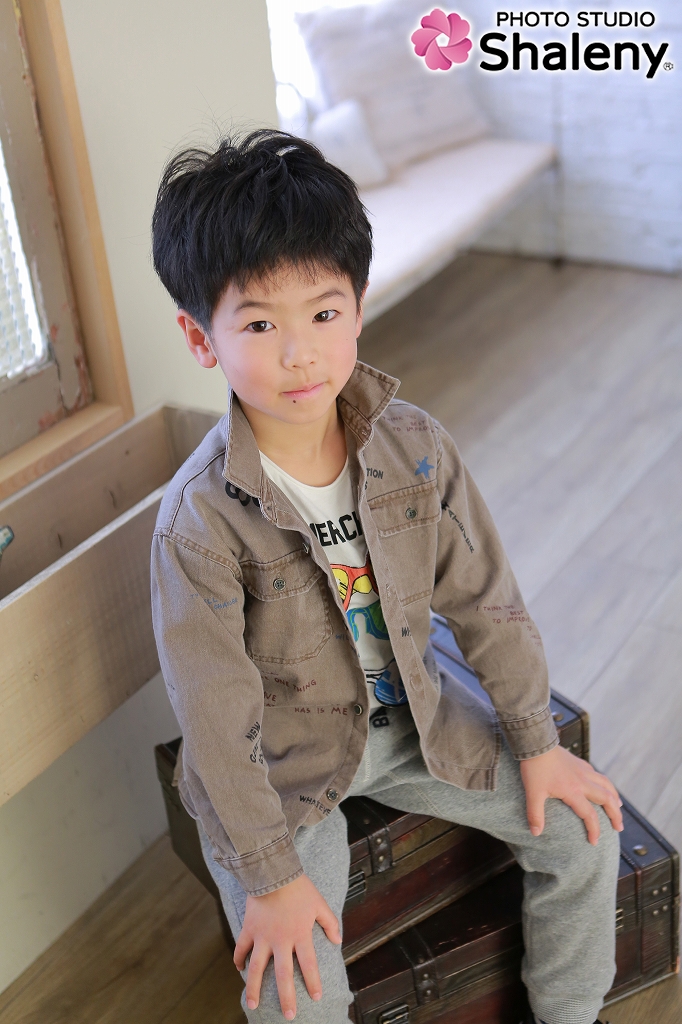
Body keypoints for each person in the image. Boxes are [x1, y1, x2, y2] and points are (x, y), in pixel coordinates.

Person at [150, 130, 622, 1024]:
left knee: (585, 832)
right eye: (260, 324)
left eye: (324, 314)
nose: (300, 353)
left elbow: (485, 600)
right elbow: (214, 719)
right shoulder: (197, 523)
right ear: (200, 337)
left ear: (359, 309)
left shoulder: (416, 448)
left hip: (418, 724)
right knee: (295, 984)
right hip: (282, 777)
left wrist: (536, 741)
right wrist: (271, 878)